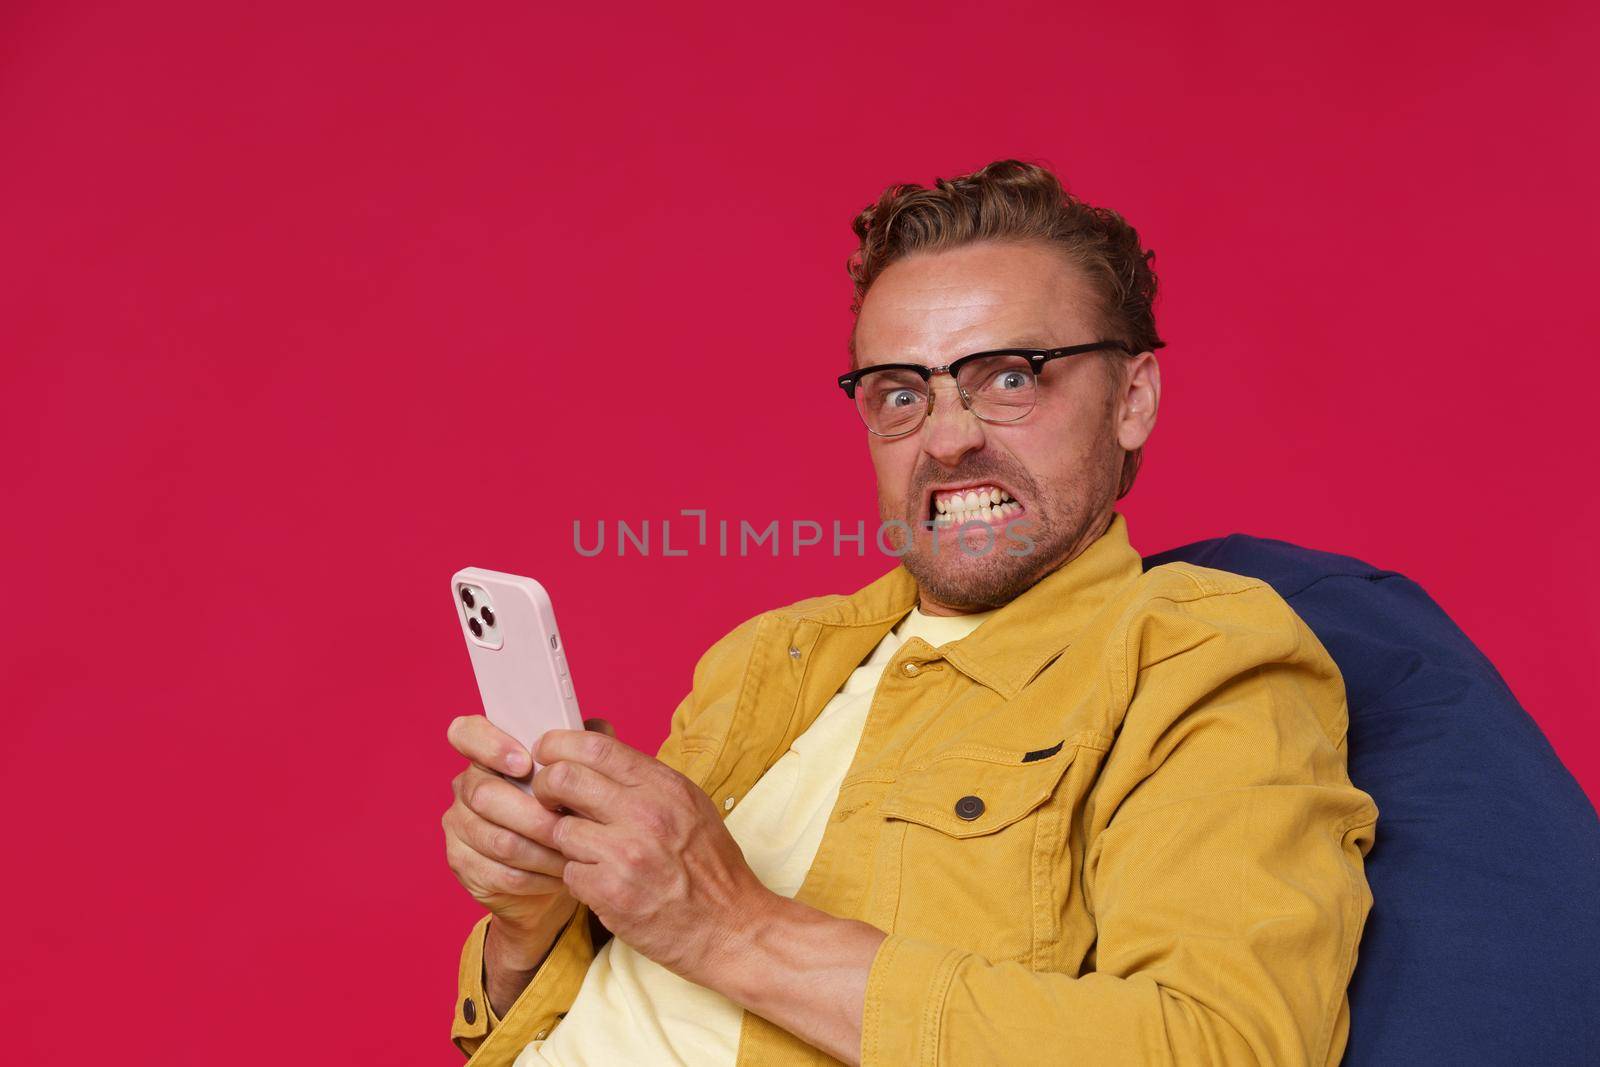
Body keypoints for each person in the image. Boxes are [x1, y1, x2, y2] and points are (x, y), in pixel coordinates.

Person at [441, 159, 1378, 1066]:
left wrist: (734, 925)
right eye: (901, 392)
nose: (948, 436)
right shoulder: (770, 657)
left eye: (1011, 376)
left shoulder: (1194, 653)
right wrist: (531, 923)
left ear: (1133, 398)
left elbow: (1222, 1047)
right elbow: (586, 1014)